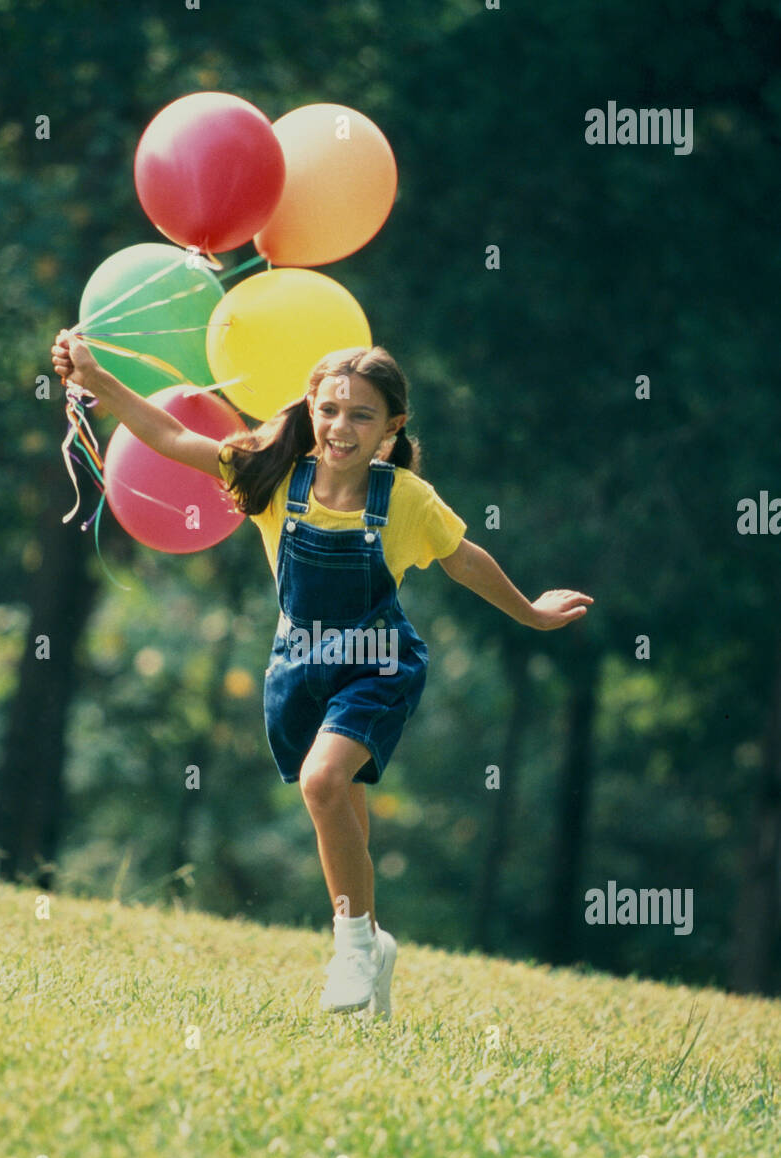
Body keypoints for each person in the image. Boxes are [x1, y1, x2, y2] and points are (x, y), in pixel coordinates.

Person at [51, 330, 593, 1021]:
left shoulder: (406, 500)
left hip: (379, 667)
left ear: (392, 429)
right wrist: (100, 383)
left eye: (362, 415)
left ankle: (353, 946)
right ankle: (373, 943)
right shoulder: (269, 471)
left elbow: (462, 557)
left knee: (322, 782)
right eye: (330, 409)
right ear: (311, 406)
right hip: (300, 672)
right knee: (344, 819)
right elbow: (167, 436)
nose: (342, 427)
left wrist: (532, 614)